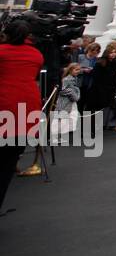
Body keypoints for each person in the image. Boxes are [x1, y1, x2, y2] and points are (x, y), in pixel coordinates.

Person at [0, 19, 44, 213]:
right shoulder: (36, 55)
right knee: (8, 161)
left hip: (4, 104)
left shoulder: (2, 52)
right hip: (26, 108)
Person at [53, 62, 81, 142]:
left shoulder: (73, 79)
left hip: (70, 102)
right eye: (76, 70)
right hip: (64, 102)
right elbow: (63, 90)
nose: (78, 71)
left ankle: (59, 137)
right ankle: (55, 137)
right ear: (71, 70)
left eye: (79, 69)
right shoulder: (67, 79)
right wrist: (74, 95)